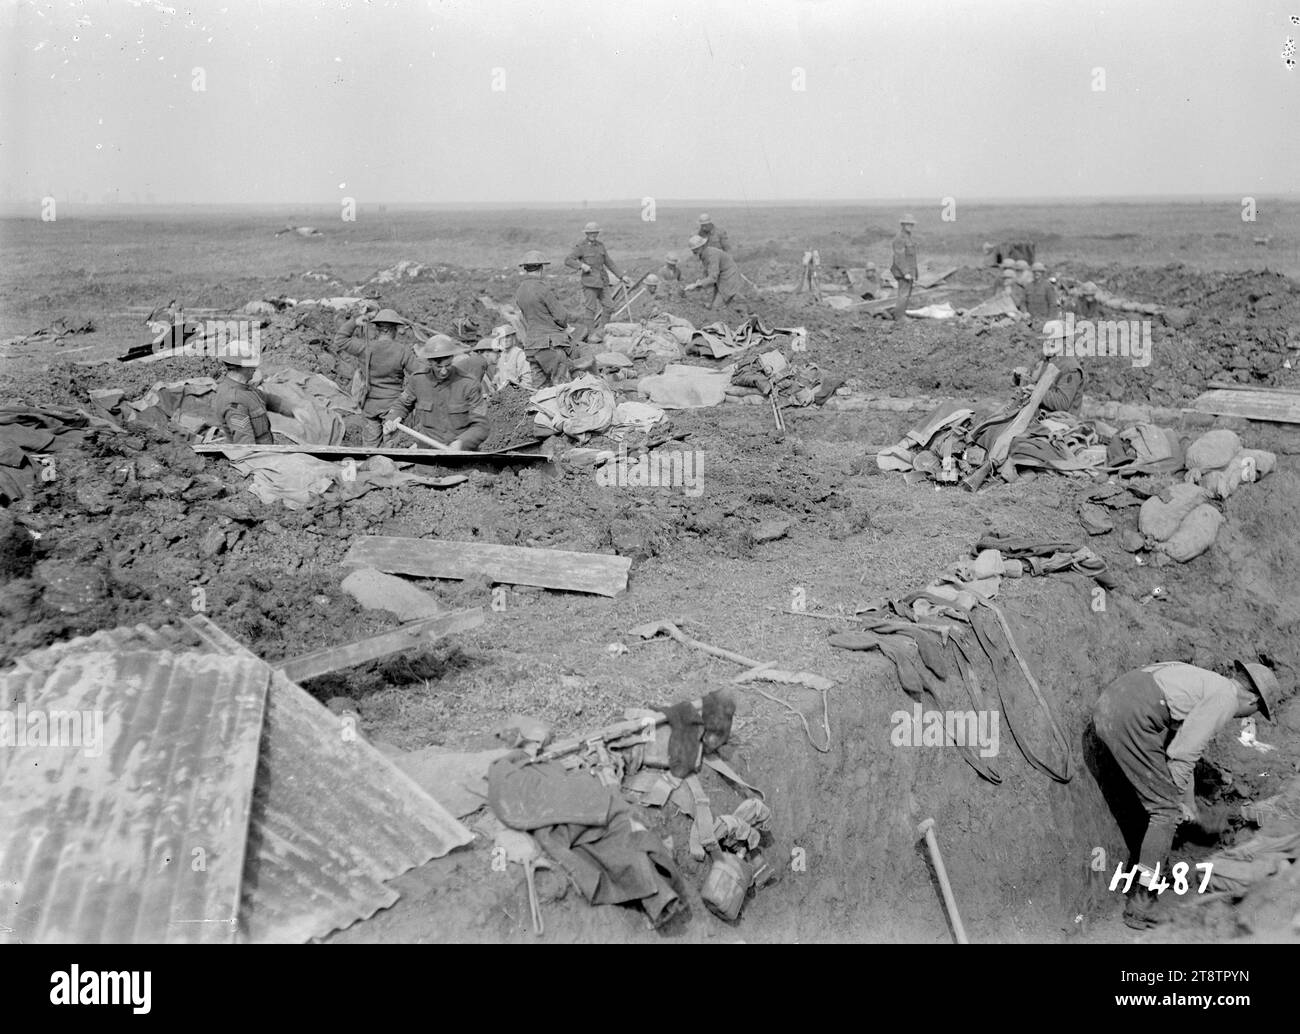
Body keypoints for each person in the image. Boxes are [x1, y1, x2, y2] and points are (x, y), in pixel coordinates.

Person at [1092, 660, 1278, 929]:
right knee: (1164, 811)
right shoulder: (1224, 699)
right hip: (1132, 716)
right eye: (1256, 710)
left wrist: (1188, 802)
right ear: (1251, 699)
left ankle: (1157, 867)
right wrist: (1178, 803)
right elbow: (1181, 756)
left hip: (1114, 704)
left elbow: (1178, 747)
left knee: (1161, 799)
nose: (1248, 715)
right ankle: (1141, 903)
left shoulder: (1206, 682)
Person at [331, 307, 423, 447]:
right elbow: (419, 375)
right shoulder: (403, 351)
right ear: (392, 330)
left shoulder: (365, 347)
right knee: (392, 448)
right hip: (393, 408)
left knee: (370, 449)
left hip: (370, 407)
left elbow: (340, 339)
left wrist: (355, 322)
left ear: (379, 329)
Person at [383, 334, 490, 451]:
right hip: (426, 459)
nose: (443, 371)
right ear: (429, 362)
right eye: (438, 367)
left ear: (452, 358)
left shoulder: (468, 384)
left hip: (460, 461)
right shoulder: (418, 380)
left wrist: (461, 443)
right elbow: (402, 405)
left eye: (447, 365)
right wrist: (393, 417)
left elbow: (481, 425)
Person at [212, 338, 292, 445]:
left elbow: (267, 399)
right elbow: (246, 446)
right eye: (252, 364)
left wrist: (295, 410)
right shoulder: (234, 401)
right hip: (259, 457)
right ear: (242, 366)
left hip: (266, 450)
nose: (255, 368)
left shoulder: (244, 387)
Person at [515, 250, 574, 388]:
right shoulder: (542, 288)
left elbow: (525, 317)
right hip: (549, 344)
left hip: (531, 346)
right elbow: (561, 316)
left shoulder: (520, 291)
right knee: (562, 386)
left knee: (539, 389)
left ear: (525, 269)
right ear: (541, 268)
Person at [564, 222, 630, 334]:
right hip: (589, 283)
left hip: (603, 281)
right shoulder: (581, 246)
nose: (593, 235)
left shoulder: (600, 245)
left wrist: (621, 275)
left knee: (609, 306)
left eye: (595, 232)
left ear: (598, 233)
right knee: (591, 309)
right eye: (590, 233)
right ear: (586, 233)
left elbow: (609, 262)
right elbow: (568, 260)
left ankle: (601, 331)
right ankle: (591, 334)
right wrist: (581, 265)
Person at [685, 234, 742, 311]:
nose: (694, 252)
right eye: (693, 250)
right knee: (714, 305)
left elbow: (713, 278)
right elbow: (708, 272)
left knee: (716, 307)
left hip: (729, 278)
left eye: (696, 249)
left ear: (702, 246)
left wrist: (696, 285)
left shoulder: (711, 255)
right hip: (722, 278)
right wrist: (699, 283)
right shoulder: (705, 254)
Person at [890, 213, 918, 322]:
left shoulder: (908, 237)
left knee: (906, 294)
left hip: (909, 272)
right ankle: (900, 317)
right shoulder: (900, 238)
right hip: (903, 273)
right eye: (908, 224)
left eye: (911, 224)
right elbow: (899, 257)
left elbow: (912, 258)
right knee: (903, 294)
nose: (910, 226)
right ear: (903, 225)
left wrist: (914, 273)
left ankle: (901, 314)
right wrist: (905, 272)